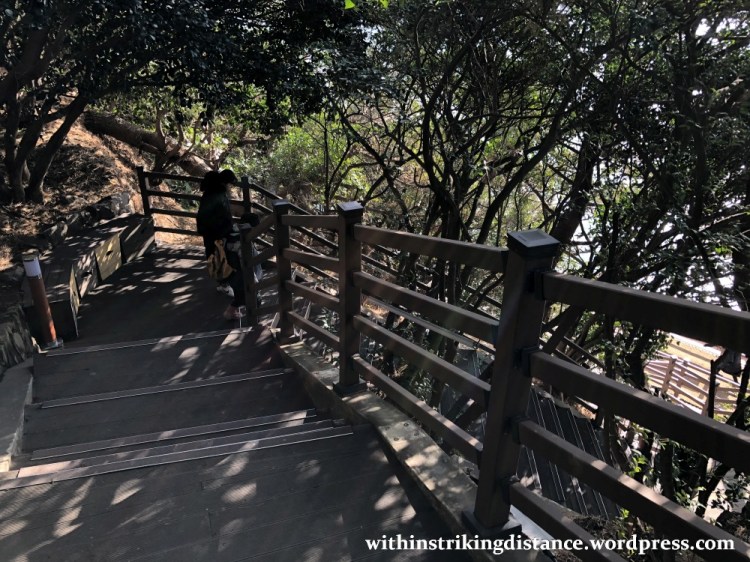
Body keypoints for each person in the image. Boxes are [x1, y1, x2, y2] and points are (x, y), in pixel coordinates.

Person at [196, 169, 246, 320]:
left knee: (216, 255)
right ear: (225, 182)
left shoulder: (211, 192)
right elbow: (221, 215)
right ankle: (223, 283)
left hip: (211, 232)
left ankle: (222, 283)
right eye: (230, 183)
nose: (230, 186)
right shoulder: (217, 194)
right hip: (216, 233)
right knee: (219, 256)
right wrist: (226, 231)